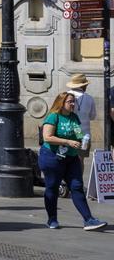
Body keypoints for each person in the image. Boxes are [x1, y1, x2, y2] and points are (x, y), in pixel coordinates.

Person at [39, 91, 106, 230]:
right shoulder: (53, 117)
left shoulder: (74, 117)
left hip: (71, 158)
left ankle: (89, 220)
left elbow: (78, 133)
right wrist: (68, 141)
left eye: (73, 101)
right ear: (61, 103)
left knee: (76, 187)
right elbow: (47, 137)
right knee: (52, 187)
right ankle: (52, 219)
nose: (73, 104)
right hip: (52, 157)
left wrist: (83, 139)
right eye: (70, 102)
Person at [65, 73, 95, 150]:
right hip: (84, 136)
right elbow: (92, 117)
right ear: (83, 86)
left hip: (66, 134)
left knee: (64, 158)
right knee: (80, 160)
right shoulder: (90, 98)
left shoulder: (64, 96)